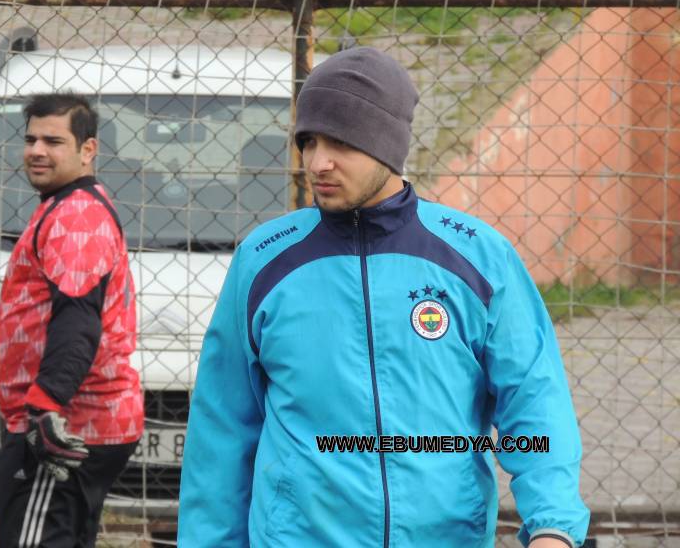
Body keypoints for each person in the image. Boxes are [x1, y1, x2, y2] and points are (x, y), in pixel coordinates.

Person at [178, 47, 589, 547]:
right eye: (308, 141)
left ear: (387, 144)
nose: (318, 162)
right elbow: (222, 430)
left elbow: (534, 401)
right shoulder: (263, 261)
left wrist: (552, 525)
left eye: (340, 141)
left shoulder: (479, 258)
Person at [0, 93, 143, 548]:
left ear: (87, 149)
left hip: (66, 425)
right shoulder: (67, 205)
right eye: (31, 139)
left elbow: (78, 323)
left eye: (53, 141)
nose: (37, 150)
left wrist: (44, 410)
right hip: (79, 420)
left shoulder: (76, 215)